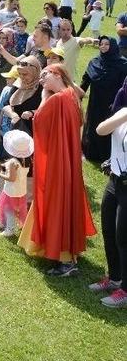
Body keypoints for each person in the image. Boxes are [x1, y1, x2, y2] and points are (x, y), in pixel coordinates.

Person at [19, 64, 96, 277]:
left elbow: (40, 120)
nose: (42, 80)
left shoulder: (57, 99)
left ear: (58, 74)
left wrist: (44, 96)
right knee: (63, 201)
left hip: (58, 162)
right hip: (67, 161)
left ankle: (64, 259)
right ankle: (62, 252)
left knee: (56, 202)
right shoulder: (71, 95)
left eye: (45, 76)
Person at [93, 107, 127, 307]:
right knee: (108, 229)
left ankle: (125, 291)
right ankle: (115, 278)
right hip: (115, 180)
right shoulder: (123, 111)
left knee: (123, 236)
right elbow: (100, 130)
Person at [81, 36, 127, 163]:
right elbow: (85, 81)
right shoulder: (95, 62)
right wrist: (77, 96)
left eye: (107, 44)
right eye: (101, 44)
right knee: (92, 126)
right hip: (95, 102)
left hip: (113, 104)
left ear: (113, 46)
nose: (103, 46)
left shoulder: (123, 64)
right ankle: (90, 152)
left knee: (108, 127)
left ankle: (107, 156)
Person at [0, 130, 33, 237]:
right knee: (6, 208)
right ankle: (2, 222)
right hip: (20, 190)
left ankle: (10, 229)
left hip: (11, 190)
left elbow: (11, 178)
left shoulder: (13, 162)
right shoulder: (26, 160)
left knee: (8, 209)